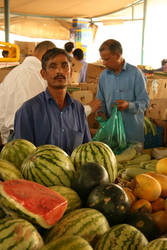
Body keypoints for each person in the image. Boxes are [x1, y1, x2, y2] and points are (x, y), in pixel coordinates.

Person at [14, 47, 93, 155]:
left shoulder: (78, 109)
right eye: (53, 66)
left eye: (64, 66)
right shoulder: (28, 110)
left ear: (70, 73)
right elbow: (22, 155)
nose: (59, 71)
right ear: (43, 74)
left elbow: (86, 150)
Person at [0, 40, 56, 145]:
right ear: (48, 52)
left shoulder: (12, 74)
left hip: (11, 139)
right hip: (30, 138)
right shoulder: (39, 75)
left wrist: (5, 139)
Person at [96, 39, 150, 147]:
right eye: (102, 59)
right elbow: (100, 101)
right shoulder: (104, 76)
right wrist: (100, 113)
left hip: (132, 137)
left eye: (107, 59)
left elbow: (145, 102)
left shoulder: (136, 74)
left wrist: (128, 105)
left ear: (118, 55)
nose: (104, 63)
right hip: (111, 137)